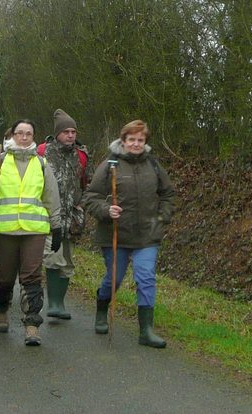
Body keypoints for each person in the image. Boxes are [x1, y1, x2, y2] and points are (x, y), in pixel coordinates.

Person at [83, 120, 175, 348]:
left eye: (140, 140)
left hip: (146, 235)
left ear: (145, 142)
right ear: (123, 141)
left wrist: (162, 217)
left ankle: (146, 331)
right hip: (115, 234)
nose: (136, 144)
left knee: (146, 278)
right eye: (131, 140)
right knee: (114, 278)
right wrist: (106, 210)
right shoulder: (110, 165)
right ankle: (102, 308)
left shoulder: (153, 165)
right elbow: (90, 197)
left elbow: (167, 194)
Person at [0, 119, 62, 346]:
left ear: (34, 137)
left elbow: (51, 197)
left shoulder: (42, 164)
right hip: (5, 230)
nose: (24, 137)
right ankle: (0, 308)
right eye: (20, 133)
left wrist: (57, 225)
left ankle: (32, 324)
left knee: (32, 276)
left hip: (34, 230)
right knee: (5, 276)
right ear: (12, 135)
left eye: (28, 134)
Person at [37, 109, 91, 320]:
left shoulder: (82, 156)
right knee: (53, 258)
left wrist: (81, 205)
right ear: (57, 133)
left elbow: (90, 183)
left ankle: (60, 303)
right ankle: (54, 304)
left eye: (73, 131)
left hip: (73, 218)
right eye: (66, 131)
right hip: (48, 217)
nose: (70, 135)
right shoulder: (43, 153)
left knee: (67, 262)